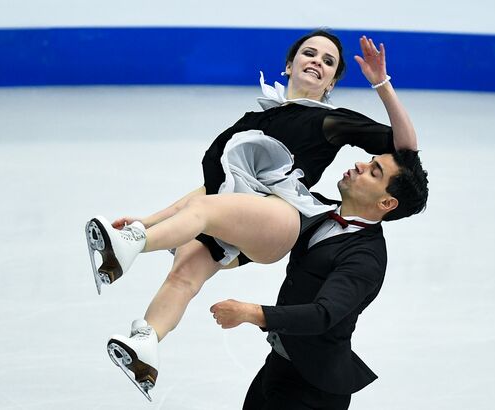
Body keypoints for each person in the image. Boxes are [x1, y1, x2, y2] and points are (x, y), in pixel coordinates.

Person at [85, 30, 419, 399]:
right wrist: (146, 221)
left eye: (329, 62)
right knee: (184, 272)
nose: (317, 63)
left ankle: (127, 248)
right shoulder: (253, 120)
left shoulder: (330, 121)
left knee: (205, 212)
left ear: (331, 82)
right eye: (309, 53)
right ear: (289, 65)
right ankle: (146, 346)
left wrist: (381, 83)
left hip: (279, 216)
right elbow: (209, 188)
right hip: (233, 211)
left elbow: (406, 149)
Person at [209, 150, 429, 410]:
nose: (360, 164)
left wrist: (250, 312)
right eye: (369, 161)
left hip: (313, 390)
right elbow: (266, 235)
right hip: (279, 366)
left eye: (374, 171)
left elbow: (322, 315)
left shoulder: (365, 259)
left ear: (386, 203)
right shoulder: (318, 209)